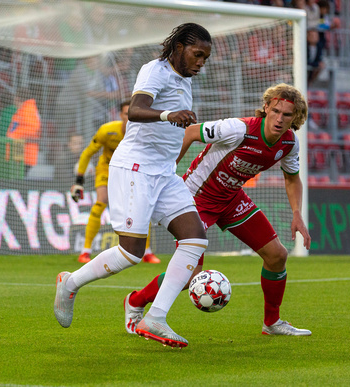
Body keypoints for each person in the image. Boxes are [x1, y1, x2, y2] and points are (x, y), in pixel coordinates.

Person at [54, 22, 212, 348]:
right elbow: (137, 110)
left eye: (205, 58)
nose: (201, 62)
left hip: (164, 173)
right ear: (179, 47)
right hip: (135, 169)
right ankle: (71, 283)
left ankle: (155, 316)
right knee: (131, 253)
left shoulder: (184, 80)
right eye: (197, 54)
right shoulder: (155, 70)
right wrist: (170, 115)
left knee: (195, 240)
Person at [123, 83, 312, 339]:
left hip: (231, 199)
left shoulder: (289, 143)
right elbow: (189, 132)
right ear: (266, 107)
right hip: (194, 198)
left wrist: (297, 214)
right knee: (190, 273)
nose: (279, 119)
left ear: (295, 117)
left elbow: (292, 178)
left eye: (287, 115)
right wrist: (166, 174)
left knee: (277, 255)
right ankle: (135, 301)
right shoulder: (238, 129)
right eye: (276, 110)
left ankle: (272, 323)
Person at [70, 100, 161, 264]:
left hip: (130, 171)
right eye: (126, 114)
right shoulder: (107, 131)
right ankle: (85, 251)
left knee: (141, 206)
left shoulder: (143, 133)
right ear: (120, 115)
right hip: (107, 170)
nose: (130, 117)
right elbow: (87, 153)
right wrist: (79, 181)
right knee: (101, 201)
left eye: (132, 114)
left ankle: (147, 252)